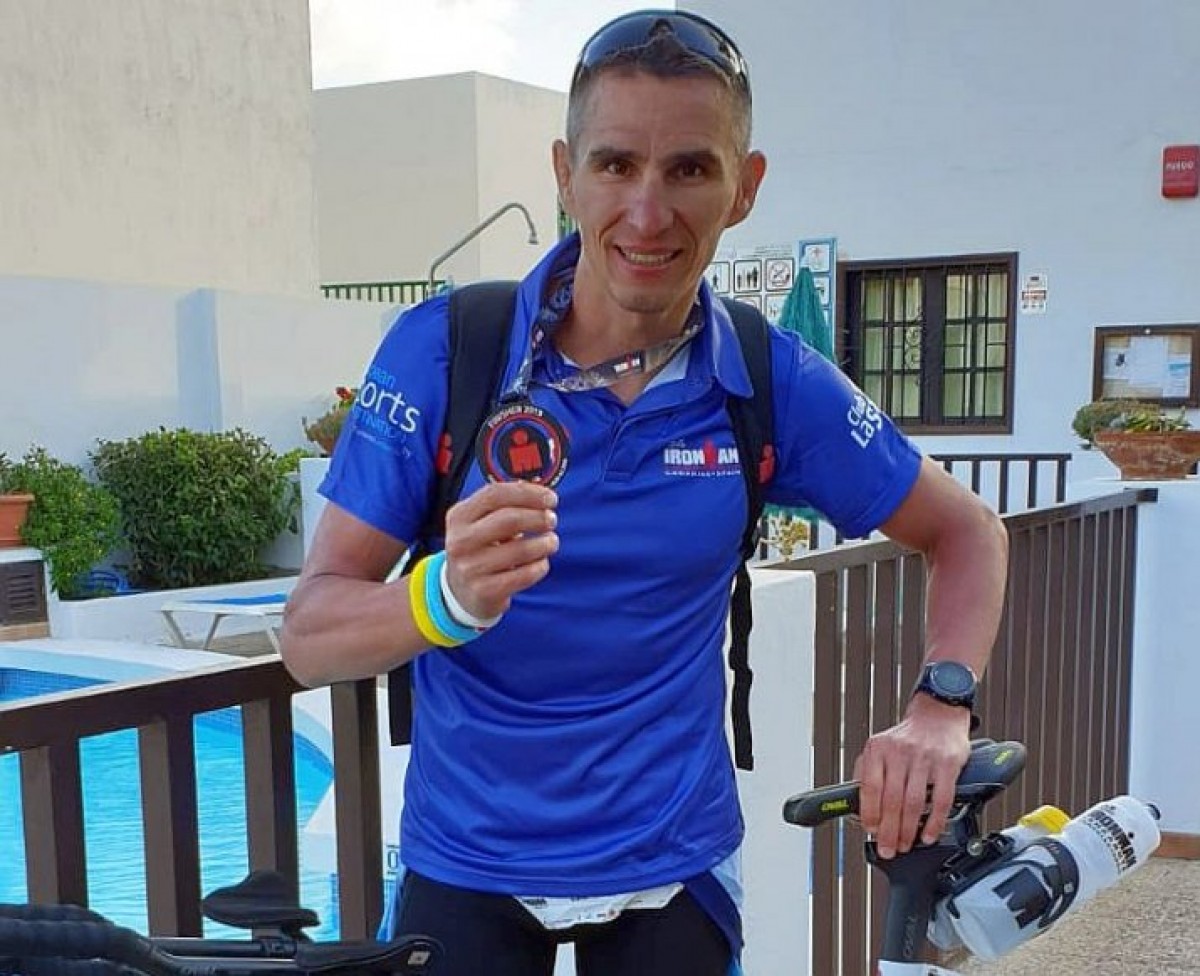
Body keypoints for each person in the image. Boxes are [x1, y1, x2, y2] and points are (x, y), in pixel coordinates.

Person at [280, 9, 1009, 976]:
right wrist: (442, 599)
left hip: (673, 870)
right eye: (616, 164)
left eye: (690, 169)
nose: (648, 213)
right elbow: (308, 635)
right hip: (466, 865)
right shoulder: (447, 351)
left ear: (744, 187)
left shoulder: (772, 378)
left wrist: (940, 707)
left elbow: (966, 531)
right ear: (565, 173)